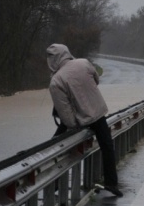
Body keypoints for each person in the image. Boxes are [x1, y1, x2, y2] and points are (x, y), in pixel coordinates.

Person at [46, 44, 123, 197]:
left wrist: (74, 126)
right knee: (107, 146)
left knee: (56, 148)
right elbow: (96, 80)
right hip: (98, 114)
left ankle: (52, 185)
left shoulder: (56, 81)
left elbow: (65, 114)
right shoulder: (84, 63)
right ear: (67, 53)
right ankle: (111, 183)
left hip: (80, 119)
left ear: (52, 60)